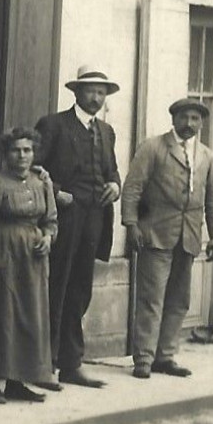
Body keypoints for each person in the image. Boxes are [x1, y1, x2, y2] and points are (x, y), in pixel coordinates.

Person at [122, 97, 213, 379]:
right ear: (174, 119)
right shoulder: (154, 147)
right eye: (184, 117)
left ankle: (165, 356)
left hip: (189, 235)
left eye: (195, 119)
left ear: (201, 123)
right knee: (151, 298)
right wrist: (131, 224)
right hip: (155, 233)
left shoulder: (205, 155)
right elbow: (132, 187)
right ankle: (143, 358)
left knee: (179, 300)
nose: (189, 123)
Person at [35, 65, 123, 389]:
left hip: (94, 220)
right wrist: (57, 193)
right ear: (76, 92)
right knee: (55, 288)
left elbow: (112, 171)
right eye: (91, 91)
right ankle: (45, 363)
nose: (96, 97)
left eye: (101, 92)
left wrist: (115, 186)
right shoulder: (55, 125)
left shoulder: (106, 131)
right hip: (64, 218)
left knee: (80, 290)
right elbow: (33, 167)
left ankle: (72, 364)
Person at [0, 128, 59, 403]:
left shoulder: (41, 182)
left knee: (30, 316)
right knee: (3, 318)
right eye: (16, 151)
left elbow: (51, 220)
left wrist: (47, 237)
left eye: (27, 150)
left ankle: (20, 379)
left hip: (33, 261)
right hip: (4, 256)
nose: (22, 156)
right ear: (6, 154)